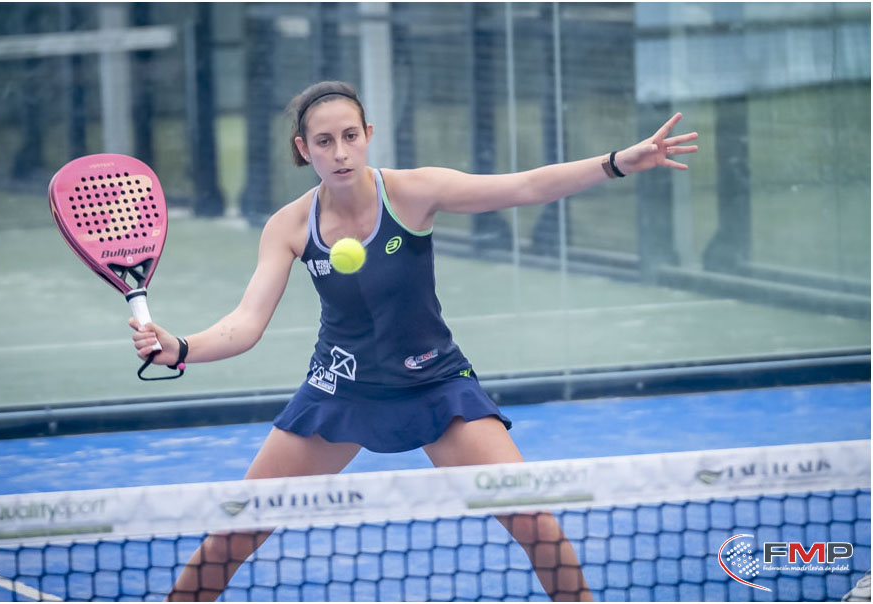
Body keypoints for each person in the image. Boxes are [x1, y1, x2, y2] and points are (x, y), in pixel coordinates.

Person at [131, 80, 698, 602]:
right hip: (340, 391)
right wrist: (182, 348)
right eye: (324, 142)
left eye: (350, 136)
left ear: (368, 134)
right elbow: (247, 322)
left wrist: (617, 163)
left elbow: (523, 186)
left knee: (534, 522)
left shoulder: (412, 192)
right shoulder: (289, 225)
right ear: (304, 149)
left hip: (436, 386)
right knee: (234, 532)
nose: (341, 152)